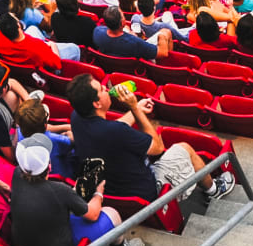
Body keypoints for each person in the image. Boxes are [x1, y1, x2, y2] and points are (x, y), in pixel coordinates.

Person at [66, 76, 230, 207]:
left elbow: (112, 128)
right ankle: (214, 190)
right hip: (145, 192)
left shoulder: (77, 117)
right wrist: (135, 109)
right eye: (102, 89)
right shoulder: (116, 132)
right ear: (97, 103)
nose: (106, 89)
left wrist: (137, 110)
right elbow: (158, 148)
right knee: (184, 148)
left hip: (110, 189)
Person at [5, 140, 142, 246]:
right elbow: (93, 215)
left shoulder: (17, 174)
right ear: (50, 166)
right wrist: (98, 193)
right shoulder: (59, 190)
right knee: (113, 214)